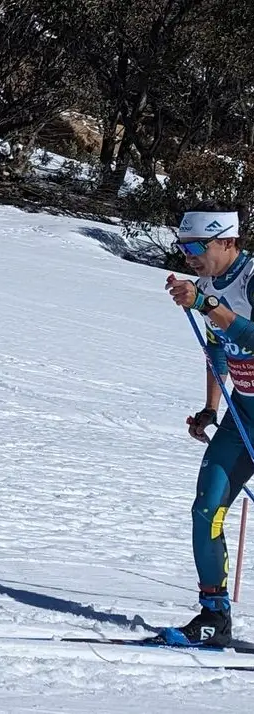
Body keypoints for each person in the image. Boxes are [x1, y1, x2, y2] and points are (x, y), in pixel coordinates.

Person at [164, 203, 253, 646]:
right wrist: (210, 409)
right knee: (207, 509)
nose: (189, 255)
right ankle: (213, 615)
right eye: (183, 247)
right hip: (243, 417)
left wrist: (208, 305)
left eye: (197, 246)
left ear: (228, 242)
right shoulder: (206, 286)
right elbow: (218, 350)